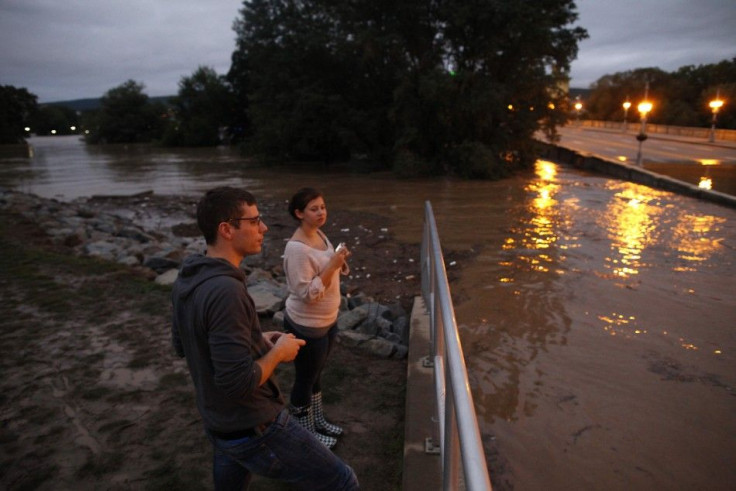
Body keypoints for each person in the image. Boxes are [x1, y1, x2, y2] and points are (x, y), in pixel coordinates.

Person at [171, 186, 359, 490]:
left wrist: (255, 339)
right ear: (227, 230)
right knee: (342, 480)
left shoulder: (189, 277)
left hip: (219, 421)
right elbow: (236, 382)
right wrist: (278, 353)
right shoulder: (225, 291)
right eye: (255, 221)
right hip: (254, 426)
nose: (264, 227)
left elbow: (185, 344)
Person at [283, 187, 350, 449]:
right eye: (314, 208)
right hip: (307, 325)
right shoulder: (296, 249)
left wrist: (339, 261)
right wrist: (332, 265)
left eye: (322, 206)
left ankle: (317, 421)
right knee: (305, 379)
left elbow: (327, 271)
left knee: (317, 374)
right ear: (299, 213)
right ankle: (305, 435)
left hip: (327, 321)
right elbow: (307, 294)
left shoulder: (320, 235)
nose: (321, 212)